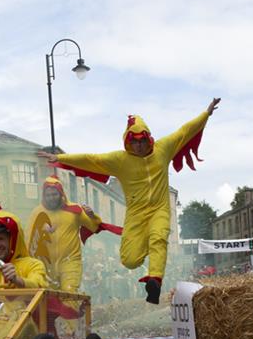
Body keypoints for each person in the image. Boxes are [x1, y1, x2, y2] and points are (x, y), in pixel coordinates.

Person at [38, 97, 221, 303]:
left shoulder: (163, 148)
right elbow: (91, 159)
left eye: (142, 141)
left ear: (149, 139)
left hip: (160, 209)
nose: (139, 146)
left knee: (158, 238)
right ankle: (145, 252)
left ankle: (155, 281)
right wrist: (61, 159)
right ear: (128, 141)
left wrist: (206, 114)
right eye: (134, 141)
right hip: (136, 214)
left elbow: (185, 131)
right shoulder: (120, 160)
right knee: (130, 260)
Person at [26, 176, 120, 293]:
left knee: (69, 293)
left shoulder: (75, 210)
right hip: (46, 265)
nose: (51, 198)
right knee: (50, 298)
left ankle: (73, 310)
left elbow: (94, 226)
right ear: (44, 196)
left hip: (70, 261)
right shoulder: (37, 212)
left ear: (61, 194)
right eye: (48, 195)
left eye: (54, 194)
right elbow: (28, 240)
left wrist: (91, 215)